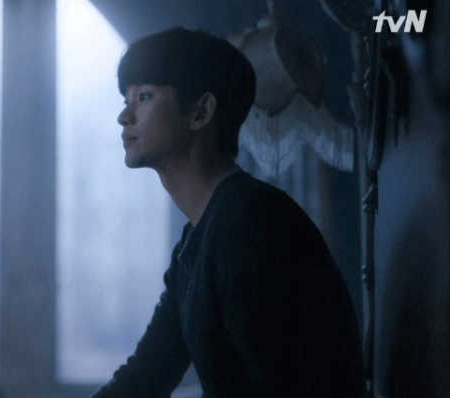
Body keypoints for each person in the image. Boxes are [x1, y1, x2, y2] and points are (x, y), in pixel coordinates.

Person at [91, 27, 364, 398]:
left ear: (201, 112)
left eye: (144, 96)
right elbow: (146, 375)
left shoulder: (251, 222)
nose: (125, 116)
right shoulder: (197, 239)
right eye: (126, 99)